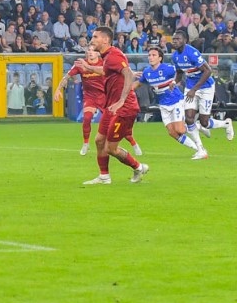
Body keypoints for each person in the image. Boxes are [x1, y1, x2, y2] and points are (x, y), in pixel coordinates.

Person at [78, 26, 149, 185]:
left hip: (124, 108)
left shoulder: (114, 55)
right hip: (112, 107)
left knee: (110, 148)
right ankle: (104, 176)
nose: (92, 40)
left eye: (95, 37)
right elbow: (105, 70)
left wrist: (122, 100)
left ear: (105, 39)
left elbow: (128, 74)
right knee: (99, 140)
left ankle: (138, 167)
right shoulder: (107, 56)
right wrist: (88, 67)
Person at [54, 47, 140, 157]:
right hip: (89, 97)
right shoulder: (80, 64)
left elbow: (120, 69)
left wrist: (132, 73)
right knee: (87, 118)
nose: (90, 52)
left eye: (93, 50)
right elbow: (66, 77)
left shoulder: (104, 63)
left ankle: (133, 143)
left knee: (115, 123)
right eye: (88, 50)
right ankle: (86, 144)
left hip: (104, 97)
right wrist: (58, 89)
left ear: (97, 53)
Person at [140, 46, 207, 159]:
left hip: (176, 101)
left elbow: (180, 71)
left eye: (153, 55)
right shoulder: (147, 72)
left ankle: (196, 128)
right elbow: (138, 83)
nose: (150, 57)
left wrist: (176, 81)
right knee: (172, 132)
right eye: (149, 55)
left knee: (180, 130)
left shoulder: (168, 68)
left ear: (160, 58)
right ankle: (198, 148)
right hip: (163, 105)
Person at [170, 28, 234, 144]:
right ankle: (200, 148)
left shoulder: (192, 53)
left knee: (205, 122)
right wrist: (174, 82)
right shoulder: (175, 56)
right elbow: (179, 72)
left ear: (185, 40)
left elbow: (208, 71)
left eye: (178, 39)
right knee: (189, 119)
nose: (175, 41)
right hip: (190, 86)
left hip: (206, 87)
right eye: (173, 39)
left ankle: (226, 123)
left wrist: (194, 90)